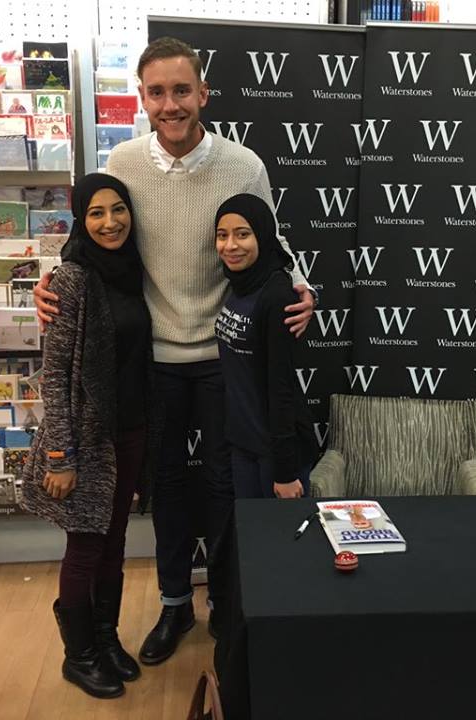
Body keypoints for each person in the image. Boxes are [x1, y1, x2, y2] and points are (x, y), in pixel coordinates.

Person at [34, 37, 314, 665]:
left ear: (203, 94)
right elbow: (93, 237)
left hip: (223, 358)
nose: (170, 104)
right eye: (157, 92)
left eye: (181, 90)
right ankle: (172, 606)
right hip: (151, 363)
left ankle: (218, 599)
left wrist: (304, 287)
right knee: (162, 489)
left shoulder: (245, 166)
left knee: (220, 485)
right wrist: (49, 278)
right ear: (142, 98)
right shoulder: (125, 161)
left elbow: (271, 243)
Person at [21, 174, 150, 698]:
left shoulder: (136, 271)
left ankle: (105, 638)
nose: (110, 222)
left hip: (132, 429)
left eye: (118, 210)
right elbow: (53, 376)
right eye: (96, 213)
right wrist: (59, 454)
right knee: (85, 548)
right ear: (80, 218)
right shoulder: (72, 279)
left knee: (114, 544)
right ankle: (79, 656)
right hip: (86, 440)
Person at [214, 194, 318, 499]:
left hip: (276, 452)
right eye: (222, 235)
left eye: (243, 234)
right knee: (249, 542)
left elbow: (281, 386)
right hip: (244, 444)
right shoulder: (240, 283)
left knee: (278, 545)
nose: (230, 245)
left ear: (262, 234)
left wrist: (285, 470)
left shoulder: (276, 295)